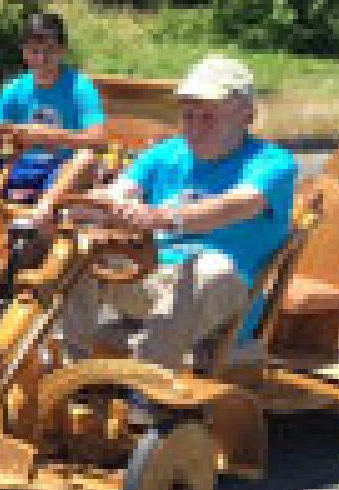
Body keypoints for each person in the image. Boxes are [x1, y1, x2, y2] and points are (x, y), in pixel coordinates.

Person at [60, 55, 298, 369]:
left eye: (209, 117)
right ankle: (69, 374)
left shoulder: (273, 164)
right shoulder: (166, 153)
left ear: (247, 115)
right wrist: (79, 210)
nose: (195, 129)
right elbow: (119, 192)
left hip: (225, 301)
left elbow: (236, 205)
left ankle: (146, 393)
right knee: (79, 247)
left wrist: (165, 218)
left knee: (211, 268)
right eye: (188, 116)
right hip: (154, 280)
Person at [0, 11, 107, 228]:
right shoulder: (14, 89)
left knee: (87, 160)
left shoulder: (80, 87)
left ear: (62, 51)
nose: (42, 59)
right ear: (25, 53)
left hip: (63, 170)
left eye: (49, 52)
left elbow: (98, 139)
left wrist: (52, 136)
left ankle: (39, 214)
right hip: (20, 166)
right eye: (35, 52)